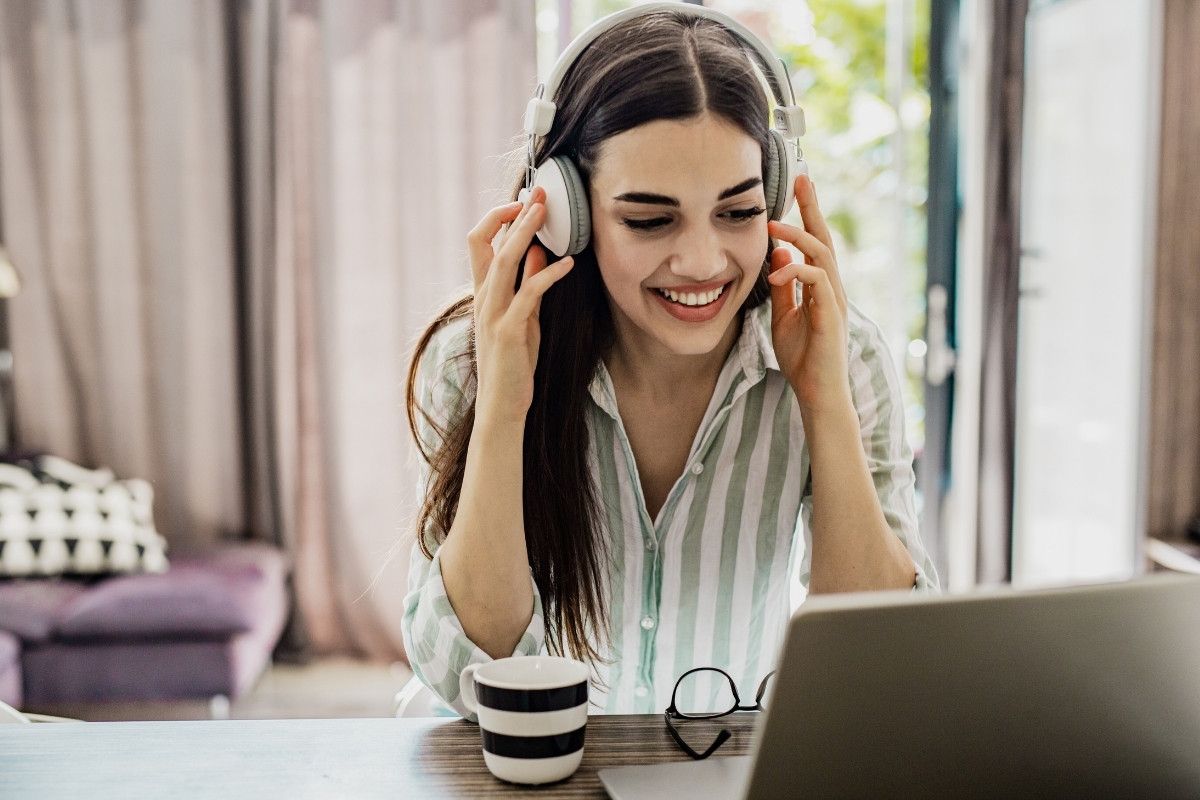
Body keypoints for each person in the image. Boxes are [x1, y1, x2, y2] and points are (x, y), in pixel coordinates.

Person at [400, 6, 939, 720]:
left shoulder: (840, 353)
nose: (703, 263)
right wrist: (505, 401)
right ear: (566, 213)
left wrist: (822, 399)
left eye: (739, 212)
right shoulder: (473, 360)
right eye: (650, 220)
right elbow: (466, 672)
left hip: (715, 773)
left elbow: (881, 658)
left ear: (776, 198)